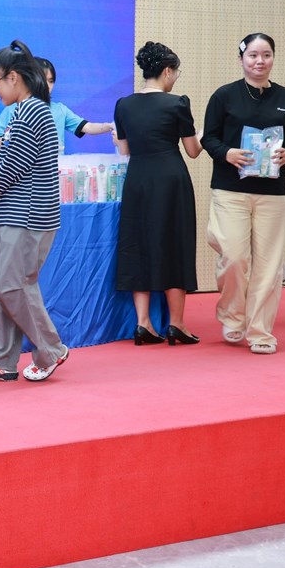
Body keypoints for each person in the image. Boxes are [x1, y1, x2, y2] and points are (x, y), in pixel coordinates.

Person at [0, 41, 71, 384]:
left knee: (12, 287)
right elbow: (9, 160)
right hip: (9, 215)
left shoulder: (31, 113)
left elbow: (7, 174)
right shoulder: (22, 112)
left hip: (27, 218)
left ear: (13, 77)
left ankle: (51, 349)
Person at [201, 33, 285, 355]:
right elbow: (209, 138)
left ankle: (260, 331)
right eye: (253, 55)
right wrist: (227, 153)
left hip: (272, 192)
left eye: (266, 55)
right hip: (230, 189)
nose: (260, 61)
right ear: (241, 59)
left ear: (273, 58)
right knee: (234, 257)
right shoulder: (224, 95)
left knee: (268, 265)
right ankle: (233, 316)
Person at [113, 42, 202, 346]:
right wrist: (204, 134)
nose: (175, 78)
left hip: (138, 179)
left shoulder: (123, 105)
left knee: (138, 243)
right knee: (175, 243)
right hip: (170, 179)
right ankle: (176, 323)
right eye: (176, 72)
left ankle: (143, 323)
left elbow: (124, 149)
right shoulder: (177, 104)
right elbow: (192, 151)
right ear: (167, 71)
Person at [0, 56, 113, 152]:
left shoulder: (60, 110)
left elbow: (88, 127)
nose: (47, 85)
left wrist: (110, 126)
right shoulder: (13, 109)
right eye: (43, 80)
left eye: (51, 81)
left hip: (55, 171)